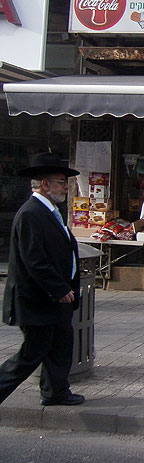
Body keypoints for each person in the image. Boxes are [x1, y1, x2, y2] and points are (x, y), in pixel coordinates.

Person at [0, 152, 85, 406]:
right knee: (32, 352)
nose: (65, 188)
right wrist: (58, 288)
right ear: (45, 184)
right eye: (61, 182)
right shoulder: (31, 214)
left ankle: (56, 391)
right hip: (37, 299)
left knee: (61, 343)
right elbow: (34, 259)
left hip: (56, 299)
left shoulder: (50, 211)